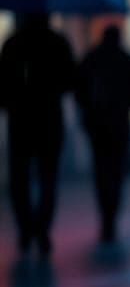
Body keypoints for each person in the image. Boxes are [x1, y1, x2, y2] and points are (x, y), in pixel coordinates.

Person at [0, 13, 76, 256]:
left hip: (21, 121)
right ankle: (41, 229)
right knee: (47, 178)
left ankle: (26, 228)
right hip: (48, 121)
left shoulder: (13, 44)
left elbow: (3, 83)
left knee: (20, 179)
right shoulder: (57, 43)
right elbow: (70, 80)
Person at [74, 24, 130, 243]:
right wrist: (124, 104)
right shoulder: (127, 61)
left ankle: (107, 217)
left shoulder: (92, 59)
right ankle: (110, 216)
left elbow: (78, 89)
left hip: (98, 126)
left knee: (102, 171)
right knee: (115, 172)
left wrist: (90, 110)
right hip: (118, 125)